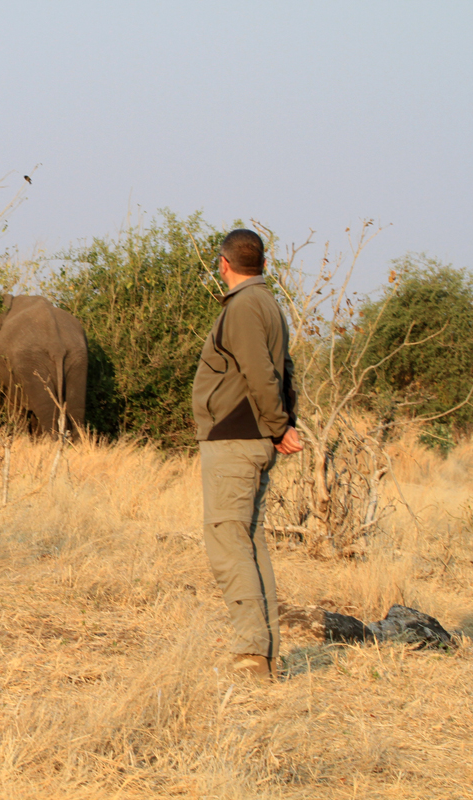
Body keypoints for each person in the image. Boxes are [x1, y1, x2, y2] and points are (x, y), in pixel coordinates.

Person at [192, 228, 301, 679]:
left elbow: (260, 372)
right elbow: (285, 370)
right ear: (262, 264)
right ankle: (264, 655)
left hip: (235, 439)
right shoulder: (270, 305)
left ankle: (251, 654)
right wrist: (282, 425)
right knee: (248, 542)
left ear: (224, 264)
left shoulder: (242, 306)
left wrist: (278, 426)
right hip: (253, 436)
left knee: (227, 540)